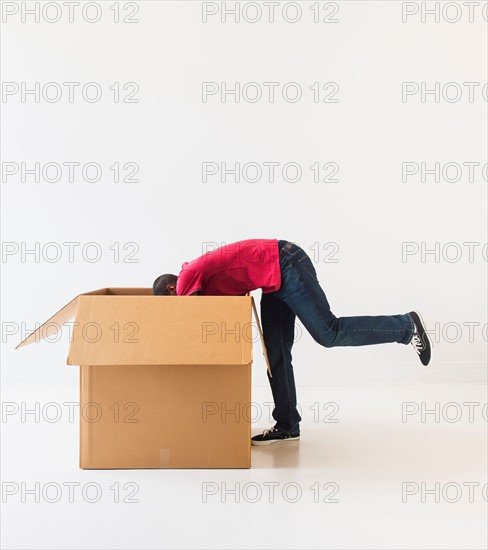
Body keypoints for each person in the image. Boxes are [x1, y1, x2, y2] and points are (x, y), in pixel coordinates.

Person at [152, 238, 432, 445]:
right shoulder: (198, 280)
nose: (178, 307)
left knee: (328, 333)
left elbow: (193, 322)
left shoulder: (187, 277)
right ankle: (287, 424)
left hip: (286, 264)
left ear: (171, 289)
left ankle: (405, 326)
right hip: (272, 279)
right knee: (276, 351)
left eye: (173, 304)